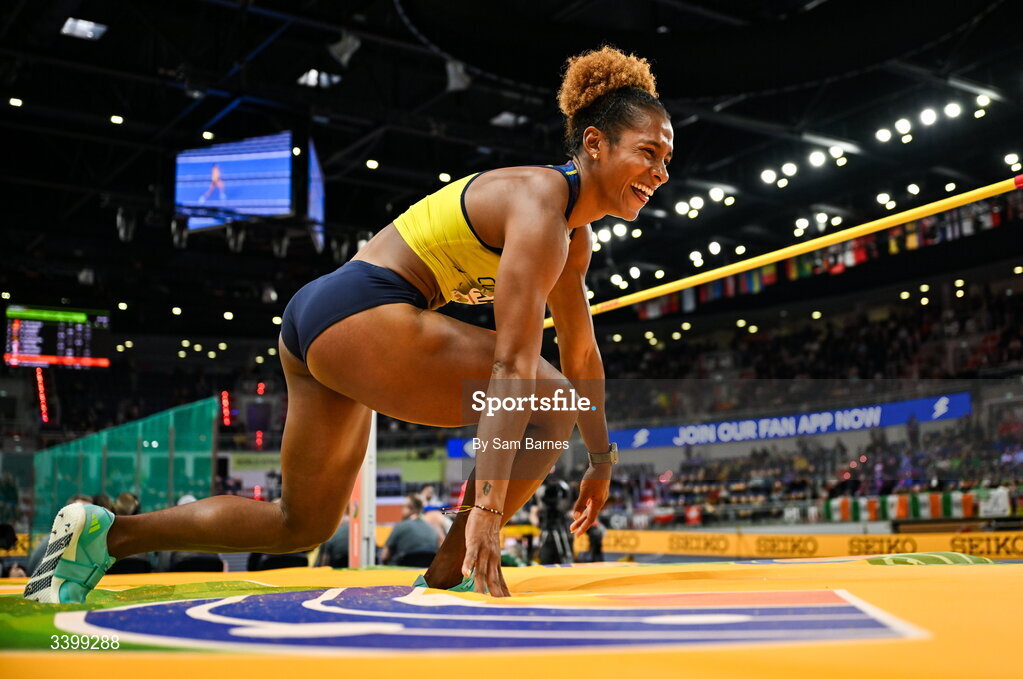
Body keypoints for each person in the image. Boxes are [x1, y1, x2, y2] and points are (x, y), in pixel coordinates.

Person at [24, 45, 671, 602]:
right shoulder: (539, 203)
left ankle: (104, 533)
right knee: (544, 400)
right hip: (365, 308)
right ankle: (451, 571)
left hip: (322, 319)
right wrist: (489, 512)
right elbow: (510, 367)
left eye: (666, 161)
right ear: (594, 143)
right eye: (647, 152)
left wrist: (602, 460)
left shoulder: (570, 238)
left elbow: (583, 353)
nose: (660, 174)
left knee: (298, 523)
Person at [381, 495, 442, 566]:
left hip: (400, 573)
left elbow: (384, 555)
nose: (401, 510)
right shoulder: (432, 529)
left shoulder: (401, 526)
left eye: (403, 507)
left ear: (410, 508)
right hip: (424, 573)